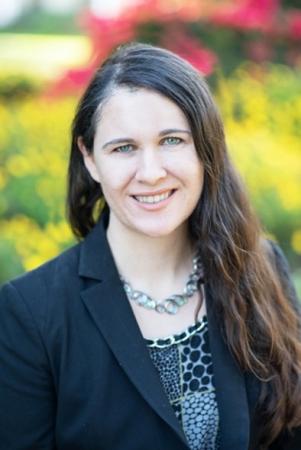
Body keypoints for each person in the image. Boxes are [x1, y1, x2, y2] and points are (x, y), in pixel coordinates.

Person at [0, 42, 300, 450]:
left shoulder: (260, 266)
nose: (151, 172)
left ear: (205, 147)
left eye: (172, 141)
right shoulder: (29, 314)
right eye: (124, 148)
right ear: (90, 158)